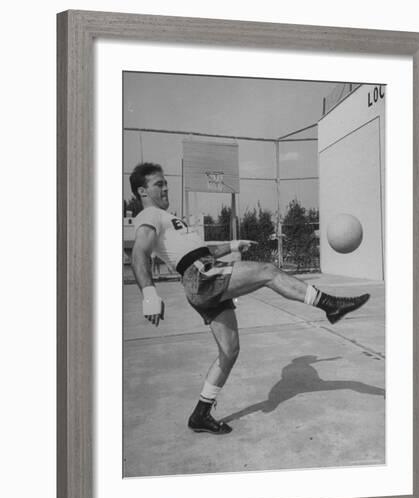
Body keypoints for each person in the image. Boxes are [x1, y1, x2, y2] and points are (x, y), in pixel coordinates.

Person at [130, 162, 370, 435]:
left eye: (165, 183)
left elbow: (199, 249)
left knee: (229, 352)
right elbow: (139, 253)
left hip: (202, 274)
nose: (165, 188)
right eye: (158, 184)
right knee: (268, 271)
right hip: (202, 276)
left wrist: (232, 245)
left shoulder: (166, 218)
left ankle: (200, 413)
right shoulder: (149, 214)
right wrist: (149, 294)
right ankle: (330, 305)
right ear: (142, 191)